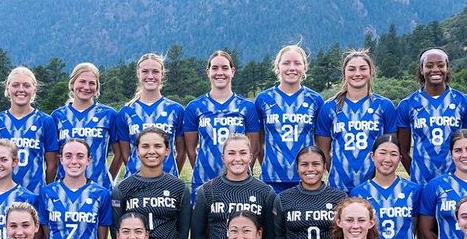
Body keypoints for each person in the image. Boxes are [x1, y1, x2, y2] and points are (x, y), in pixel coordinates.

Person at [109, 128, 192, 239]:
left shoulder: (179, 187)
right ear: (137, 150)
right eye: (145, 146)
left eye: (158, 146)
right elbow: (117, 231)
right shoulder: (123, 188)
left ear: (167, 151)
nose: (151, 151)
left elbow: (183, 233)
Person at [316, 49, 398, 193]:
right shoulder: (329, 107)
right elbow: (323, 150)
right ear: (344, 73)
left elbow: (392, 149)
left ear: (371, 71)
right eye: (352, 69)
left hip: (374, 186)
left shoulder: (384, 106)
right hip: (338, 187)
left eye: (363, 68)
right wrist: (338, 173)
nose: (357, 73)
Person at [184, 50, 261, 201]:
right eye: (215, 68)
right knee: (203, 224)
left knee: (240, 223)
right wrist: (203, 169)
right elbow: (190, 150)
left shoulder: (246, 107)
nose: (220, 72)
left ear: (232, 71)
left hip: (239, 180)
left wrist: (241, 170)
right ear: (208, 72)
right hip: (204, 181)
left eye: (225, 68)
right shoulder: (195, 107)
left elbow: (254, 148)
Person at [396, 48, 467, 186]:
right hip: (421, 183)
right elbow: (402, 149)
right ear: (421, 69)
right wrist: (416, 174)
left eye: (440, 65)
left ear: (447, 68)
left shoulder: (464, 102)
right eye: (429, 65)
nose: (435, 69)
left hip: (457, 182)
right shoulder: (407, 104)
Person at [191, 133, 276, 239]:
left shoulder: (265, 192)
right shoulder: (208, 190)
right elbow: (197, 234)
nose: (237, 158)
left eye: (243, 153)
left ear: (250, 157)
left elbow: (269, 235)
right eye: (231, 153)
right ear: (223, 157)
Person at [255, 44, 323, 194]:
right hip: (272, 179)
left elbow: (320, 141)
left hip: (305, 178)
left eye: (297, 63)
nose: (292, 68)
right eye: (286, 63)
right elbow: (258, 143)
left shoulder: (315, 100)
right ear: (278, 66)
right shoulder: (263, 99)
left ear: (304, 67)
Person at [0, 66, 57, 193]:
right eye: (15, 85)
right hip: (2, 193)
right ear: (7, 88)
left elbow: (52, 165)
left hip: (35, 194)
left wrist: (45, 192)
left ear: (34, 89)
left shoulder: (45, 121)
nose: (21, 90)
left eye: (26, 85)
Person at [49, 62, 122, 186]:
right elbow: (52, 159)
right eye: (82, 81)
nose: (86, 87)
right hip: (65, 189)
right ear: (72, 84)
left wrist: (106, 179)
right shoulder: (57, 116)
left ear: (97, 87)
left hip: (99, 188)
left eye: (92, 83)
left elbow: (119, 154)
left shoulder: (109, 115)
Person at [115, 53, 187, 178]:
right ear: (138, 74)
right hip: (135, 182)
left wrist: (171, 175)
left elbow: (181, 153)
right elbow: (125, 155)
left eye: (155, 71)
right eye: (145, 71)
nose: (150, 76)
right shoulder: (126, 112)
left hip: (167, 181)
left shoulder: (176, 110)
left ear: (162, 74)